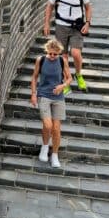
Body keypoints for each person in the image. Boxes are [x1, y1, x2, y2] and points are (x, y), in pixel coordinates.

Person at [43, 0, 91, 89]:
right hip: (61, 26)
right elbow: (49, 6)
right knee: (63, 56)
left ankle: (78, 75)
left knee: (75, 53)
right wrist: (47, 24)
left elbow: (88, 7)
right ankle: (66, 80)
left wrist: (87, 23)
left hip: (76, 26)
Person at [30, 36, 71, 168]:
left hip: (58, 97)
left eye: (55, 54)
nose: (52, 56)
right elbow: (34, 77)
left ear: (58, 52)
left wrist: (62, 86)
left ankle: (54, 155)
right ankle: (45, 146)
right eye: (50, 53)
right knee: (47, 125)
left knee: (56, 128)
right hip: (44, 95)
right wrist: (33, 94)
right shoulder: (40, 60)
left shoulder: (62, 61)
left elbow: (69, 78)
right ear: (47, 51)